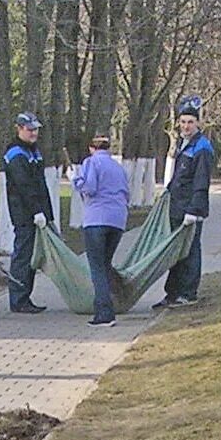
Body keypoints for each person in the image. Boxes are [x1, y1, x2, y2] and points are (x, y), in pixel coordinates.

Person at [157, 97, 213, 308]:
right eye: (183, 122)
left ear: (198, 123)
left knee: (190, 251)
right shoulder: (184, 144)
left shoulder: (202, 147)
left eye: (190, 122)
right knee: (176, 253)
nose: (186, 126)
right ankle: (172, 293)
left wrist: (194, 210)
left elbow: (201, 181)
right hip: (177, 208)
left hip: (191, 210)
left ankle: (188, 293)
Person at [73, 134, 131, 327]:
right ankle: (112, 300)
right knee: (105, 264)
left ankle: (105, 313)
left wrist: (75, 180)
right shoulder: (118, 167)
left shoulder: (91, 162)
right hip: (118, 220)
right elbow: (126, 194)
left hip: (96, 219)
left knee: (97, 266)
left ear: (91, 148)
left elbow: (89, 187)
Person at [2, 112, 53, 314]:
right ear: (19, 128)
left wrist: (47, 213)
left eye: (36, 129)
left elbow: (40, 185)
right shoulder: (16, 154)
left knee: (31, 256)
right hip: (24, 214)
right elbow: (24, 186)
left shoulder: (32, 151)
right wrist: (36, 211)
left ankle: (25, 297)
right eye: (30, 129)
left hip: (36, 213)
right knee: (23, 256)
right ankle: (18, 299)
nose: (34, 133)